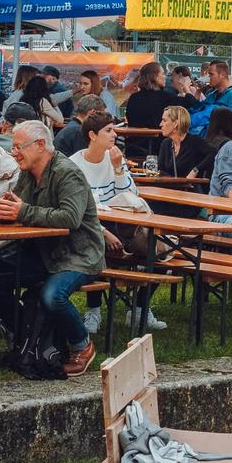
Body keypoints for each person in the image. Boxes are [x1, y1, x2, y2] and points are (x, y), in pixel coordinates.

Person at [0, 120, 105, 377]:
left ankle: (82, 346)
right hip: (43, 252)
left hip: (78, 255)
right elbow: (21, 207)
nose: (13, 152)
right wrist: (5, 211)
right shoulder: (28, 172)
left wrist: (23, 211)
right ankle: (28, 340)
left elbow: (70, 218)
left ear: (40, 145)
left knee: (52, 296)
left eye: (19, 146)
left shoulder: (66, 172)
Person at [69, 112, 162, 335]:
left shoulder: (114, 159)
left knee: (159, 249)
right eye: (108, 130)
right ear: (92, 135)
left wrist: (119, 168)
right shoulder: (75, 164)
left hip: (122, 226)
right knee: (97, 248)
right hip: (88, 228)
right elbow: (79, 208)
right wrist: (103, 231)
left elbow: (131, 196)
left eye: (114, 129)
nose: (114, 134)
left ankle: (139, 307)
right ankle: (93, 310)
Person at [149, 103, 210, 183]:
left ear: (175, 124)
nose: (160, 124)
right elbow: (160, 170)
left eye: (164, 120)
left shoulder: (194, 141)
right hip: (170, 189)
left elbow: (213, 154)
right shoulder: (166, 143)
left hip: (190, 191)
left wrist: (195, 170)